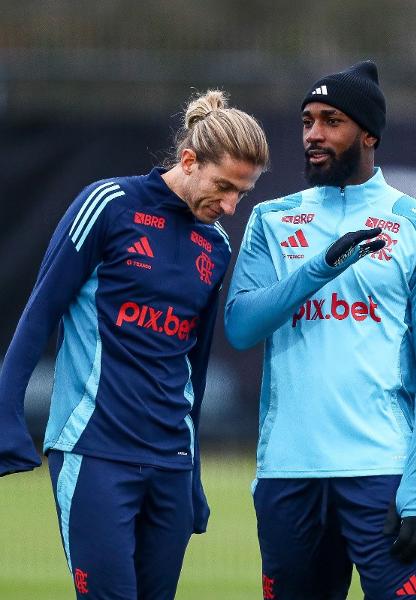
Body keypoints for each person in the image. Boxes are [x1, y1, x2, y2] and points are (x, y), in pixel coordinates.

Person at [0, 89, 270, 600]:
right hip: (95, 451)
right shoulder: (109, 206)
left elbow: (195, 365)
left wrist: (191, 474)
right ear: (189, 161)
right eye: (224, 187)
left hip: (171, 463)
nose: (232, 206)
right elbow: (39, 313)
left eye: (243, 192)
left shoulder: (215, 245)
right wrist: (6, 412)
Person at [225, 61, 416, 600]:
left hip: (381, 473)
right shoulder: (271, 220)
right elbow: (239, 327)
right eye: (307, 121)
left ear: (369, 133)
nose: (314, 135)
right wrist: (318, 268)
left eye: (332, 120)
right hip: (287, 473)